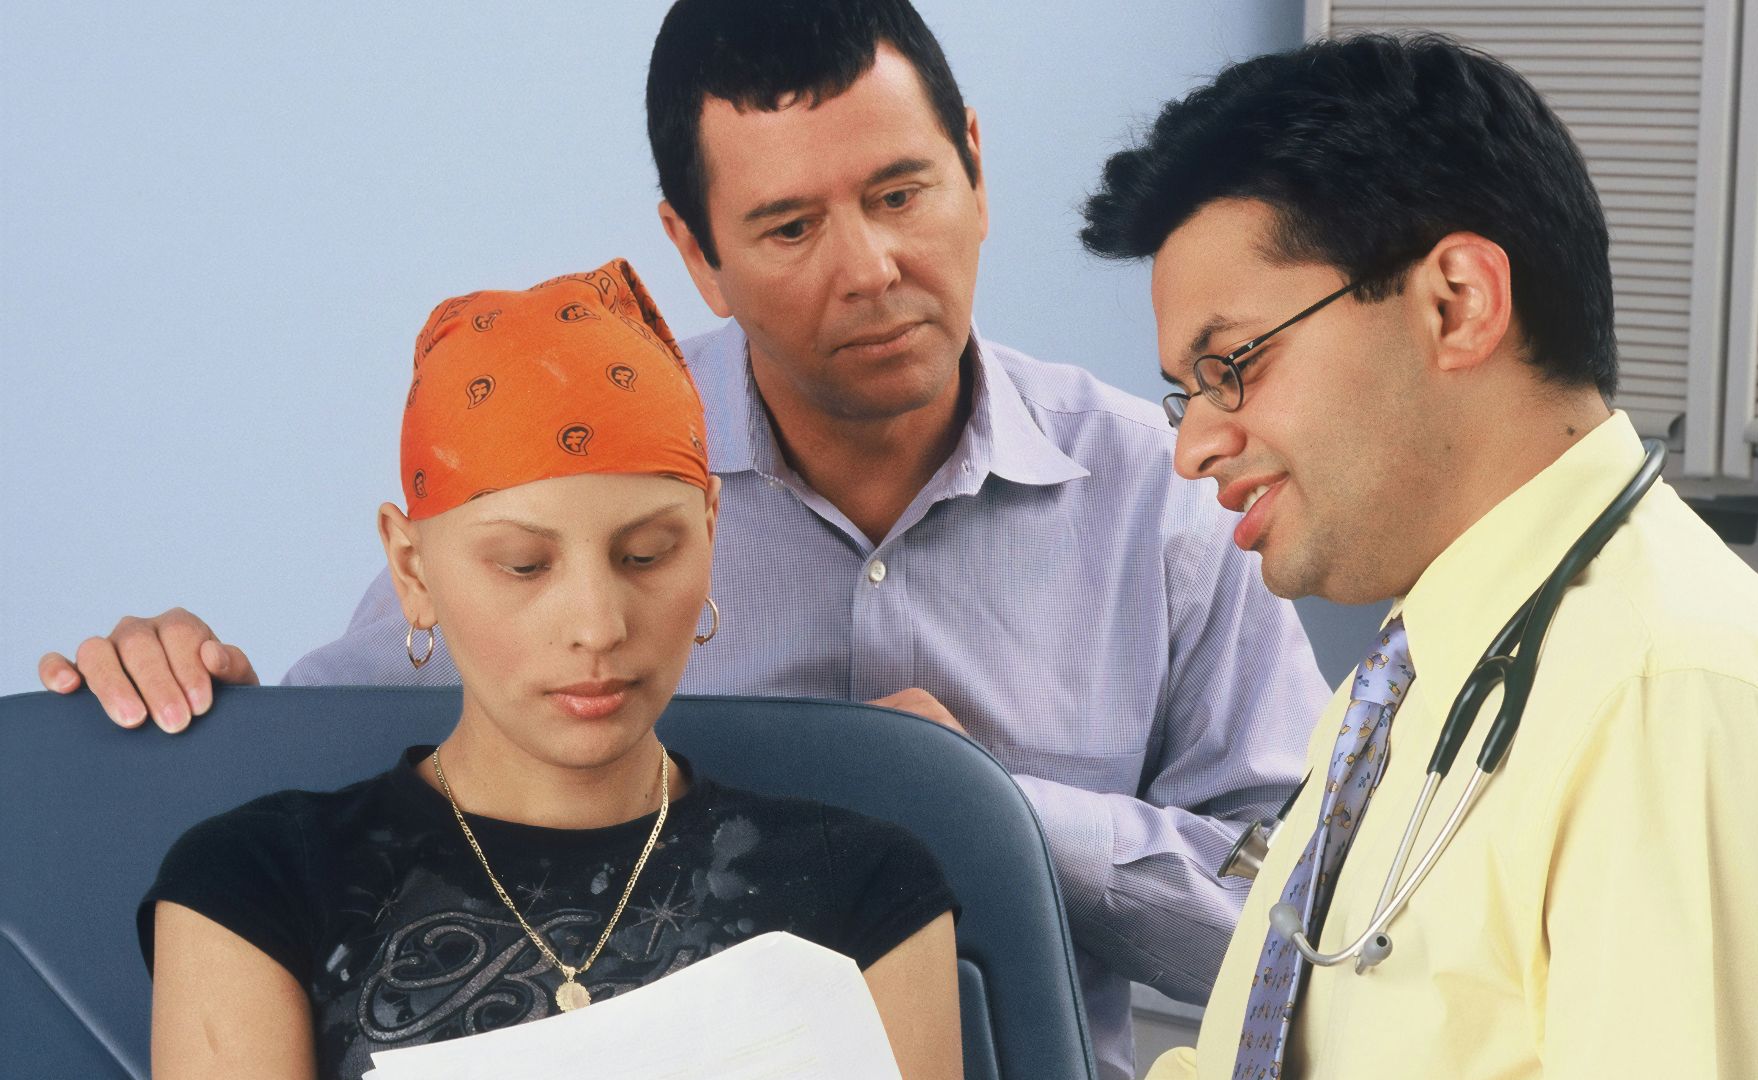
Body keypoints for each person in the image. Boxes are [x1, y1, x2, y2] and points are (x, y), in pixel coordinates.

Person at [40, 3, 1329, 1074]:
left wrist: (988, 809)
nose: (872, 265)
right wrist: (182, 687)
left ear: (977, 166)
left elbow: (1309, 946)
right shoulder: (582, 454)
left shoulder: (1173, 496)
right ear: (694, 251)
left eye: (902, 190)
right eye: (788, 226)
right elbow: (329, 755)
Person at [1076, 33, 1758, 1080]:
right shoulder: (1415, 672)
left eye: (1232, 365)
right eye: (1184, 391)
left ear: (1456, 303)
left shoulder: (1678, 699)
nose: (1192, 444)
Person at [140, 263, 962, 1080]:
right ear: (413, 569)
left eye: (647, 554)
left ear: (711, 530)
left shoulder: (862, 885)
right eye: (525, 566)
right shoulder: (259, 883)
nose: (599, 626)